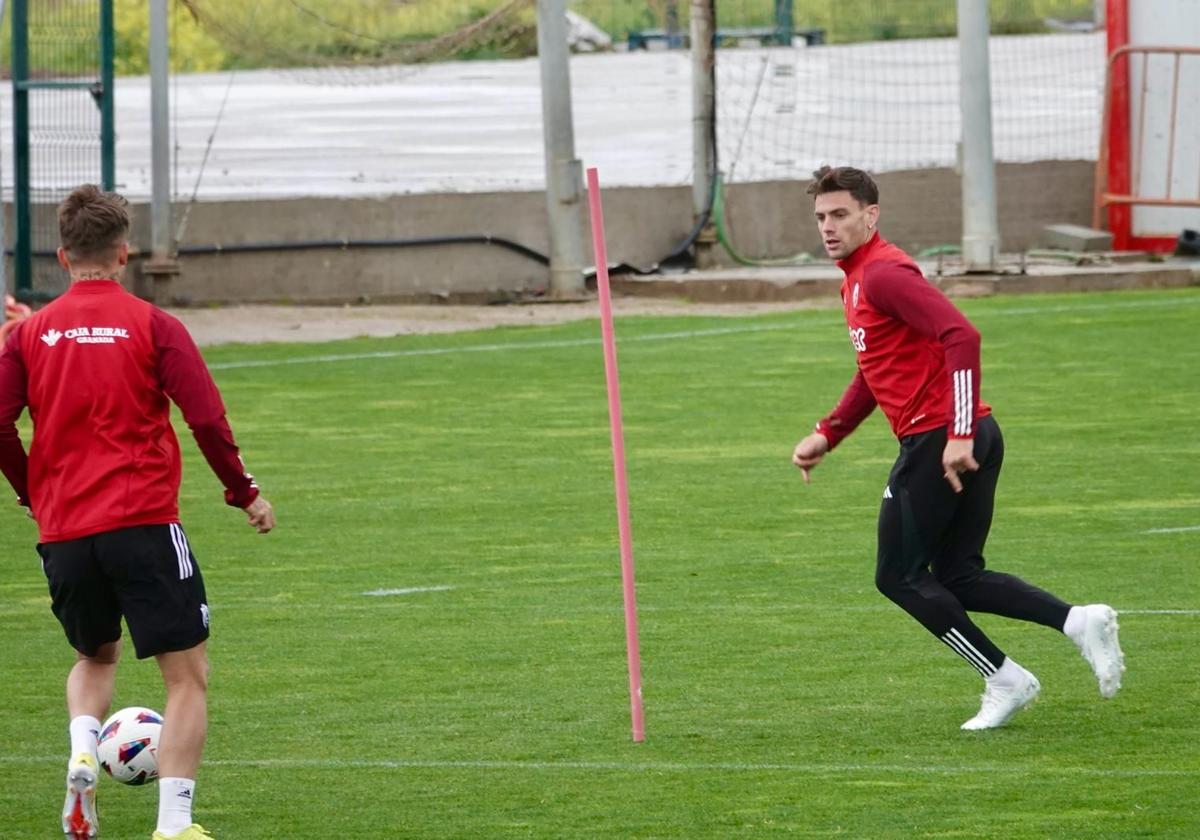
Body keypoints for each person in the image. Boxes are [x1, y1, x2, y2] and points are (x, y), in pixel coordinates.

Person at [790, 166, 1124, 730]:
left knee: (897, 576)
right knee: (958, 575)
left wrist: (959, 433)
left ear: (871, 216)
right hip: (961, 434)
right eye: (821, 216)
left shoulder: (882, 275)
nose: (828, 226)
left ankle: (1005, 678)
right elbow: (876, 368)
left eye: (840, 214)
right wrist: (830, 432)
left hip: (944, 438)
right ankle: (1078, 622)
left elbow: (962, 336)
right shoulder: (855, 279)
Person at [0, 185, 276, 838]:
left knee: (96, 657)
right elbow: (206, 417)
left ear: (63, 258)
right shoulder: (155, 325)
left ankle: (81, 749)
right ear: (124, 254)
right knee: (186, 678)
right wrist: (244, 492)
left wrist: (33, 489)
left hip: (65, 532)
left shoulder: (29, 334)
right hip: (145, 523)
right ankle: (175, 824)